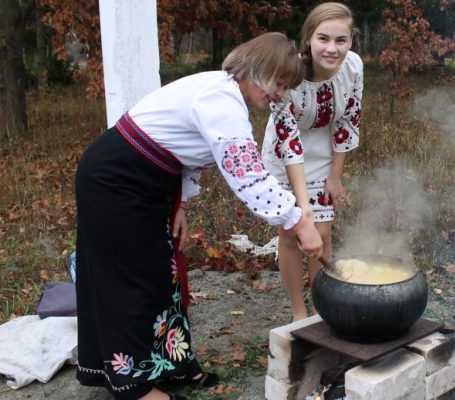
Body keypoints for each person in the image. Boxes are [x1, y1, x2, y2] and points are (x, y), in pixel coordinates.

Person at [74, 32, 323, 400]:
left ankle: (172, 363)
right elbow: (248, 175)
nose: (280, 94)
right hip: (115, 181)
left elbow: (189, 151)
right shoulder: (221, 98)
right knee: (131, 280)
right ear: (258, 68)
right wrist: (298, 220)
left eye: (287, 88)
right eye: (280, 83)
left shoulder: (226, 94)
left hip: (150, 181)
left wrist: (181, 204)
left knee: (164, 271)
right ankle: (132, 385)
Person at [262, 2, 362, 322]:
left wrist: (335, 178)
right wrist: (302, 206)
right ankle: (298, 311)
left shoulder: (354, 68)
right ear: (308, 37)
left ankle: (320, 306)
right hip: (283, 154)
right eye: (323, 38)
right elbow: (290, 143)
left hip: (322, 151)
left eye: (341, 40)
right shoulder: (286, 76)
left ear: (351, 41)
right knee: (294, 234)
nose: (331, 49)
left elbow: (348, 122)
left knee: (323, 233)